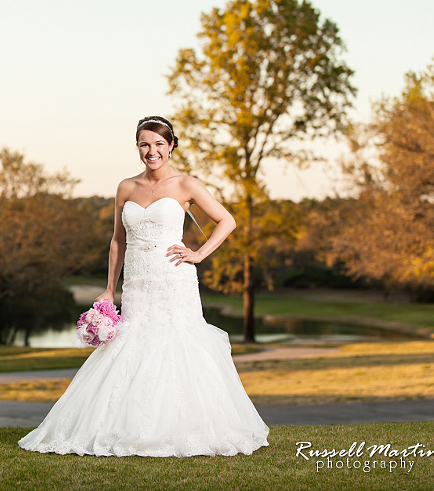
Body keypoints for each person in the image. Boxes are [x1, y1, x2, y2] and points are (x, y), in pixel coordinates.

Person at [18, 116, 269, 457]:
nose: (152, 151)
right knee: (133, 346)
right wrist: (109, 289)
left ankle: (185, 428)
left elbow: (227, 220)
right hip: (137, 283)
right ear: (138, 147)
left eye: (159, 144)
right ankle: (127, 427)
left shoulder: (186, 185)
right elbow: (117, 241)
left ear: (172, 146)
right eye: (145, 144)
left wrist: (199, 254)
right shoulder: (126, 187)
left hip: (174, 280)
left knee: (178, 344)